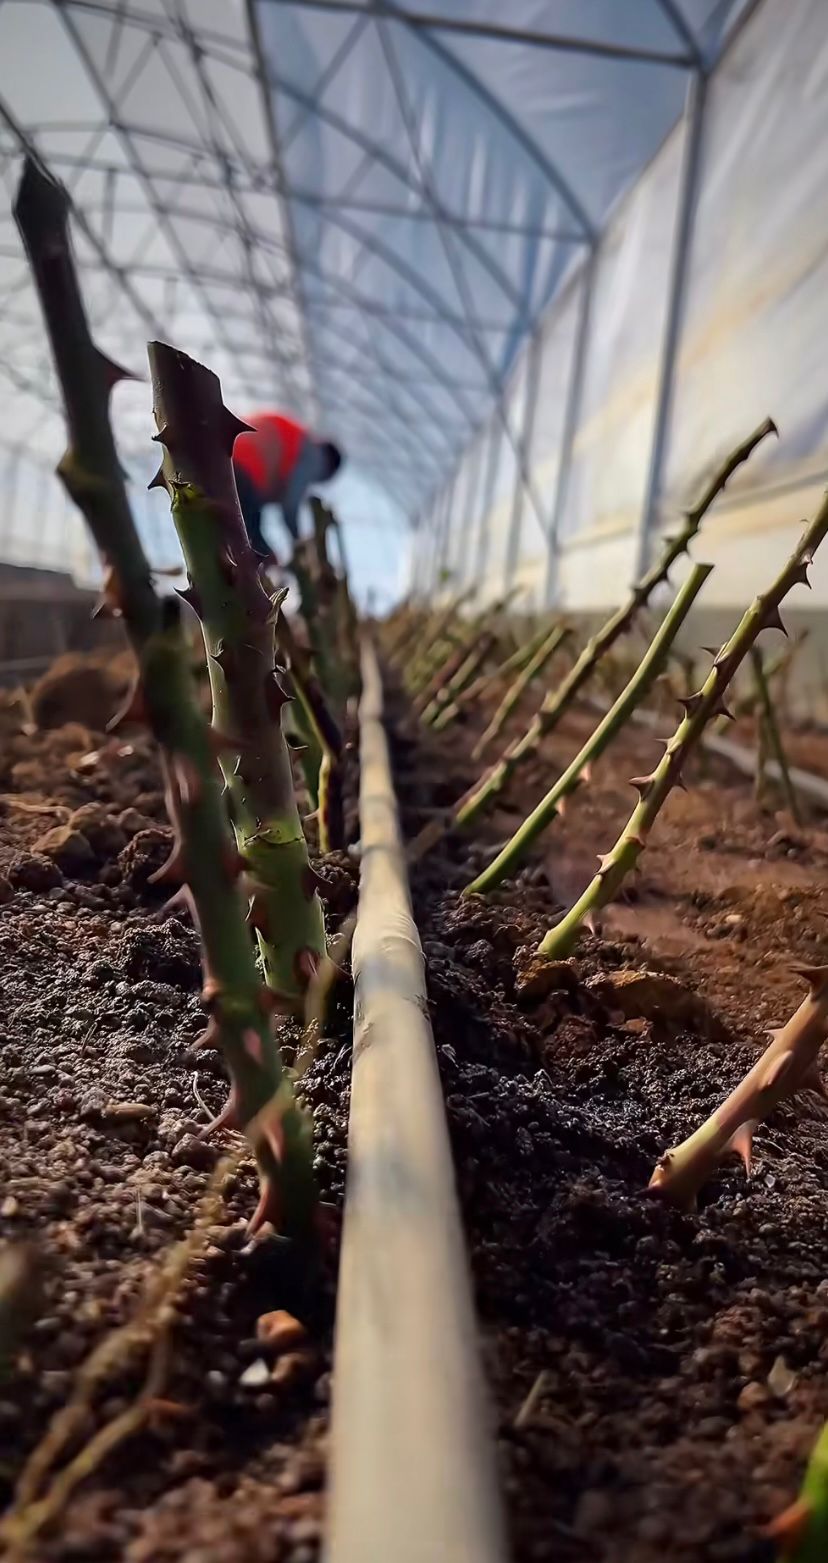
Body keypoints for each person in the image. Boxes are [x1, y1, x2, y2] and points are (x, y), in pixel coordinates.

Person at [232, 412, 343, 559]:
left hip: (232, 457)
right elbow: (290, 506)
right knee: (257, 548)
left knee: (245, 536)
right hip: (246, 470)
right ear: (328, 469)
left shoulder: (294, 437)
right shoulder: (313, 457)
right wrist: (300, 546)